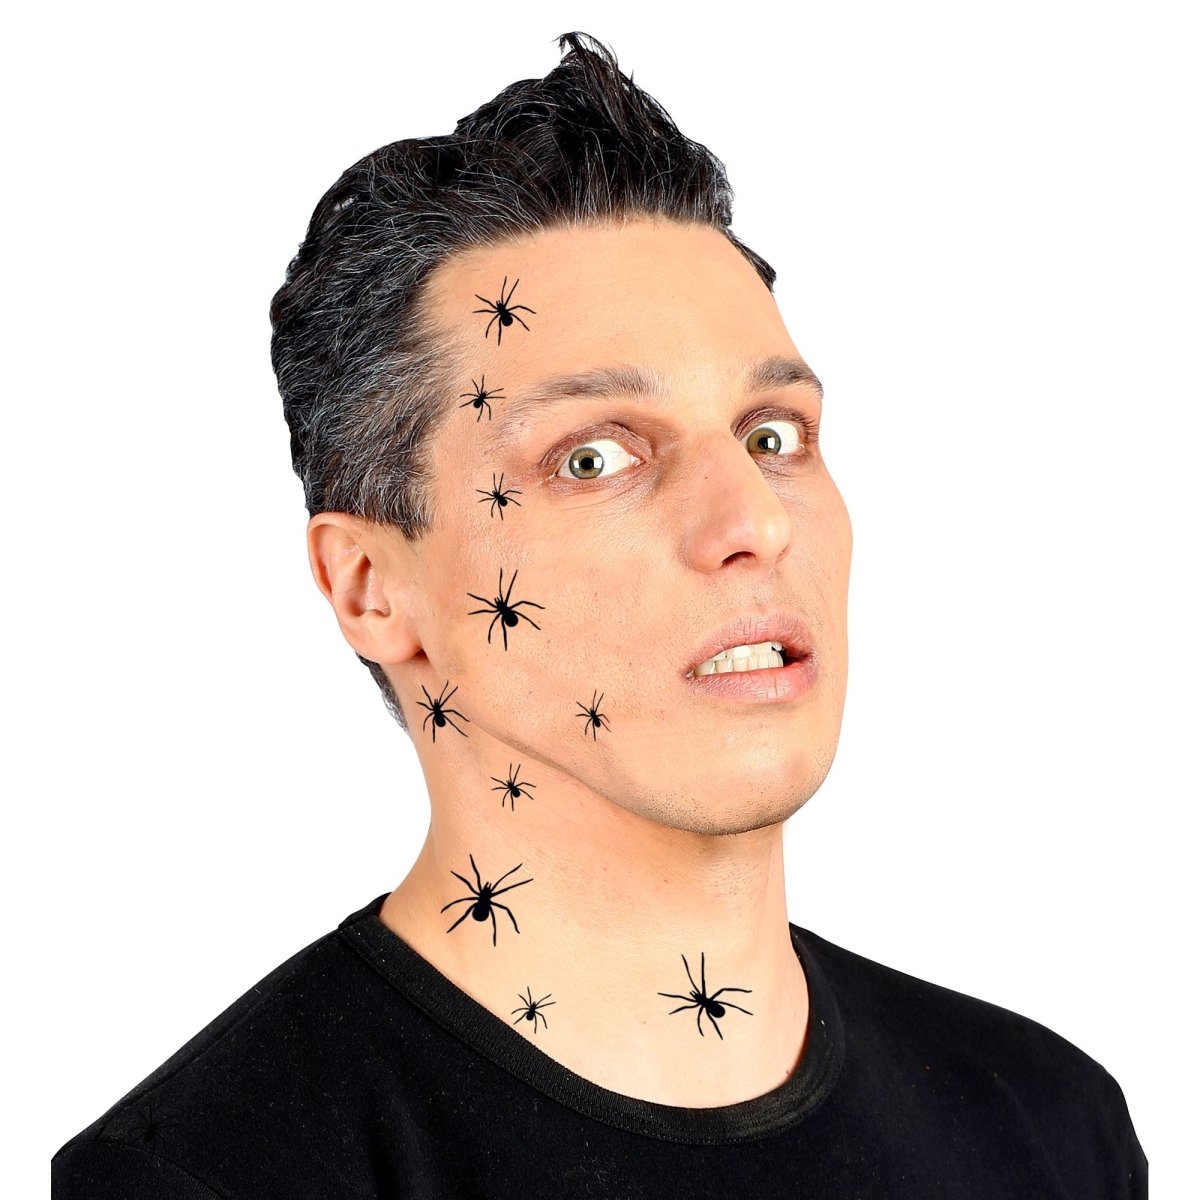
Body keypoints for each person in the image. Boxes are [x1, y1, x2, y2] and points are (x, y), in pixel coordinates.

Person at [52, 30, 1147, 1198]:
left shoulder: (1048, 1127)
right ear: (372, 589)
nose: (752, 521)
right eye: (593, 458)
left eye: (773, 434)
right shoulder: (213, 1178)